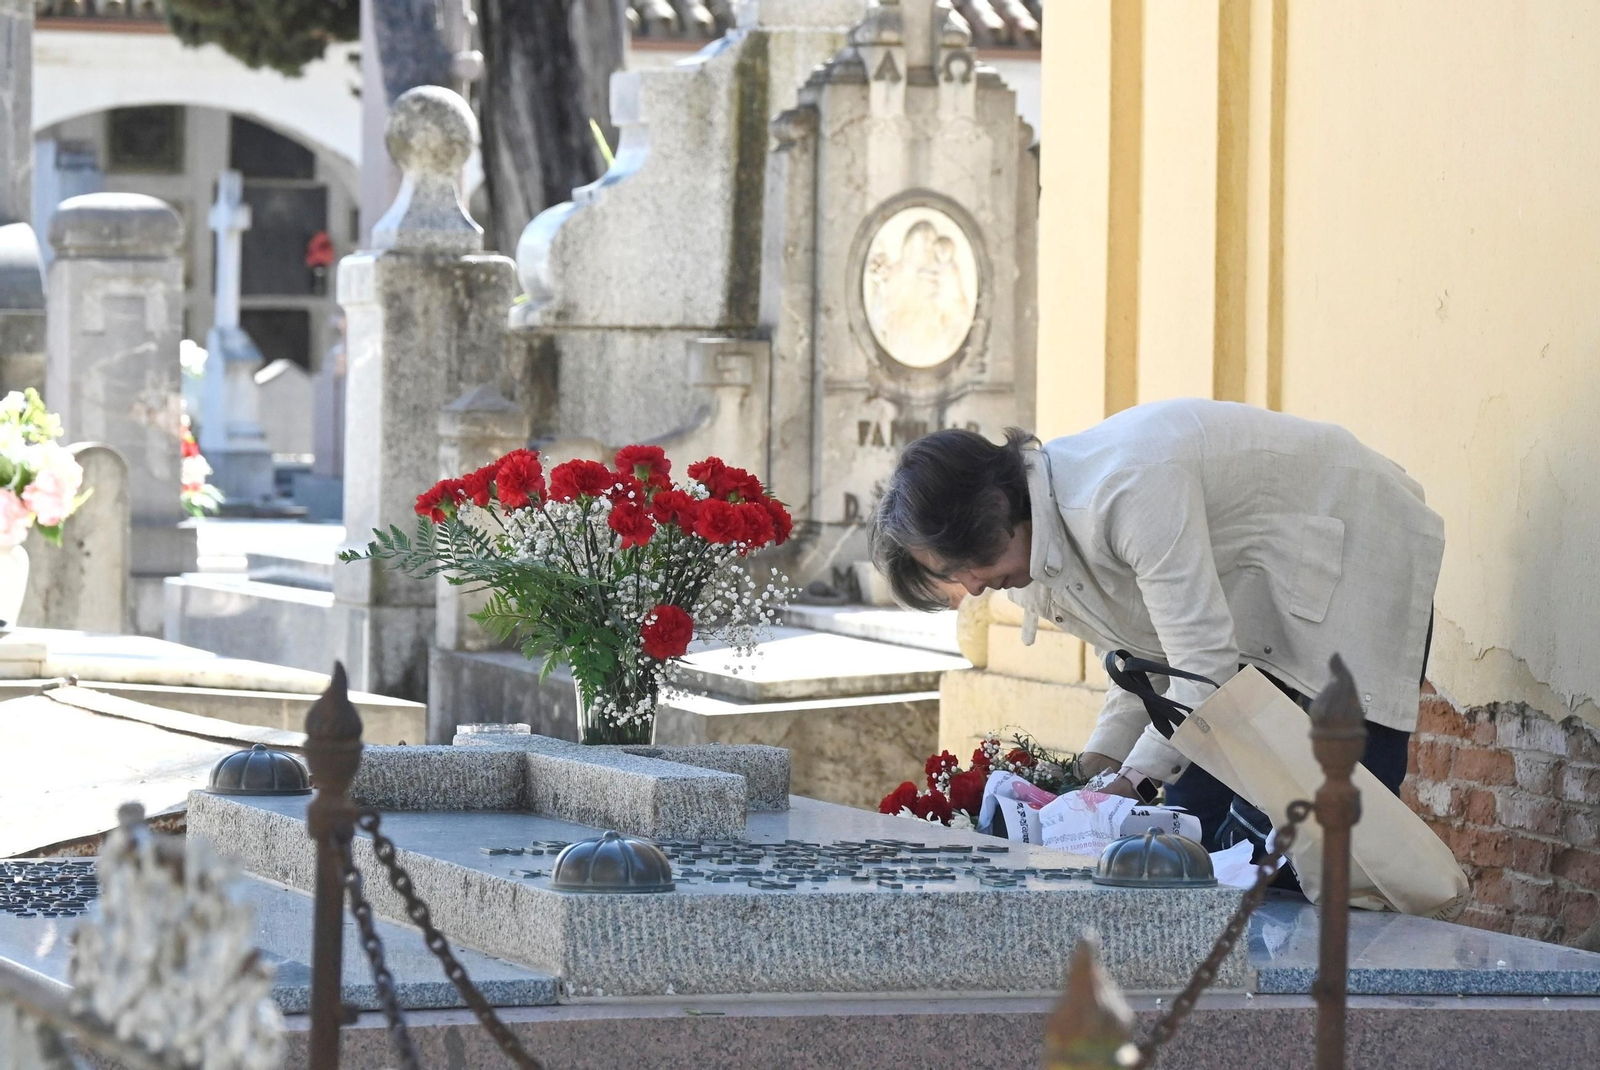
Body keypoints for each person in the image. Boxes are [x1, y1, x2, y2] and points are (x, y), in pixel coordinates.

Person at [870, 398, 1443, 849]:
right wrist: (1089, 773)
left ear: (994, 512)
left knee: (1332, 841)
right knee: (1188, 834)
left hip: (1356, 552)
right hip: (1248, 620)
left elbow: (1200, 666)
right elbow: (1147, 660)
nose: (972, 587)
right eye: (953, 575)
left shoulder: (1124, 491)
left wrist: (1131, 781)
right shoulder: (1028, 563)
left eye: (969, 564)